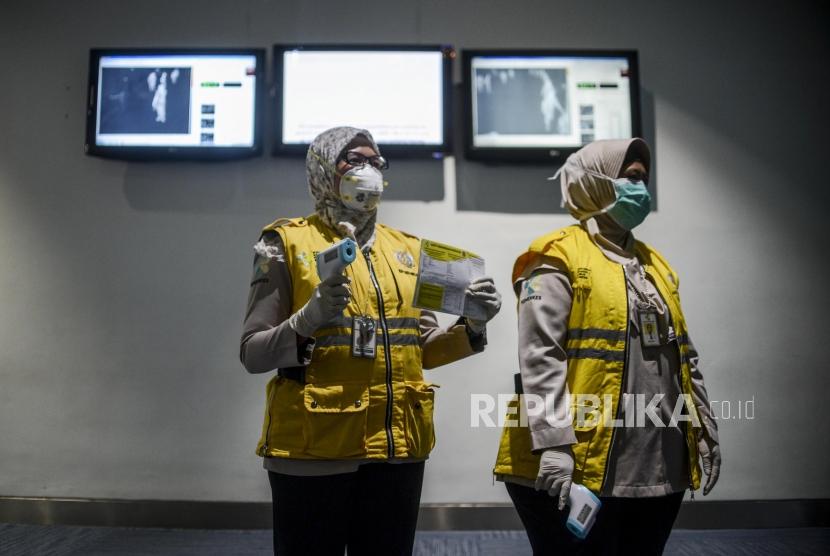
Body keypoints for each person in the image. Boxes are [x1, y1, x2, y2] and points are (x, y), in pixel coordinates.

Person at [240, 126, 501, 556]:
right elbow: (252, 353)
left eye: (376, 162)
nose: (369, 170)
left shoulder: (413, 250)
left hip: (397, 448)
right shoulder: (283, 243)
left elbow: (425, 349)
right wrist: (306, 320)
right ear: (324, 168)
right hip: (314, 450)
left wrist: (471, 325)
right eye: (354, 160)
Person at [493, 138, 721, 555]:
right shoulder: (556, 256)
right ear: (596, 182)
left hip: (655, 465)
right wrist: (554, 445)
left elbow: (683, 355)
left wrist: (701, 428)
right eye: (631, 177)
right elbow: (541, 357)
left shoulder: (655, 265)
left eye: (645, 179)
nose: (642, 189)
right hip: (577, 464)